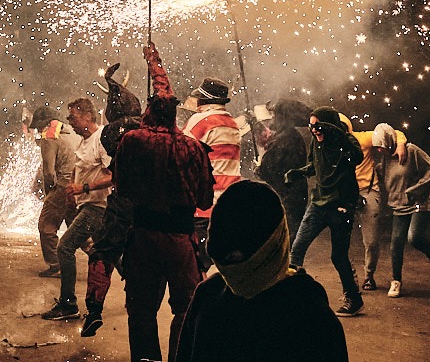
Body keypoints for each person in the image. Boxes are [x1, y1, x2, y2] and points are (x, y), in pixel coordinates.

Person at [113, 43, 214, 362]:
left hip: (143, 237)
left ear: (148, 112)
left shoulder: (132, 141)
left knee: (141, 312)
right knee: (186, 308)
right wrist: (153, 61)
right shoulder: (194, 148)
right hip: (181, 239)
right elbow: (204, 198)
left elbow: (122, 189)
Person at [174, 180, 349, 362]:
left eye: (239, 259)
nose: (234, 272)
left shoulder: (208, 296)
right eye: (228, 260)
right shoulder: (311, 312)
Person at [285, 106, 365, 317]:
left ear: (330, 125)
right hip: (318, 204)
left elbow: (357, 157)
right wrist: (297, 173)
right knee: (297, 249)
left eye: (318, 126)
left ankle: (353, 299)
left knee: (338, 256)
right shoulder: (315, 143)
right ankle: (289, 296)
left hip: (341, 206)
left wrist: (338, 135)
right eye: (311, 127)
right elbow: (313, 166)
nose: (314, 130)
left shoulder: (346, 142)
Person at [81, 62, 141, 337]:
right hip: (149, 205)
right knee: (139, 259)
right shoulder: (147, 129)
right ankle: (137, 302)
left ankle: (94, 311)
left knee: (102, 252)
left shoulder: (109, 132)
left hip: (120, 203)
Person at [41, 98, 111, 322]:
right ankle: (136, 284)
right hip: (85, 204)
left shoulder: (101, 139)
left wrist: (84, 187)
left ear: (88, 116)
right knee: (106, 251)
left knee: (65, 247)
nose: (70, 122)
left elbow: (112, 175)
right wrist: (72, 194)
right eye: (69, 117)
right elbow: (77, 168)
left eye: (74, 117)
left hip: (97, 207)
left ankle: (68, 304)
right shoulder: (83, 140)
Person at [370, 123, 430, 298]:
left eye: (381, 146)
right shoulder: (386, 158)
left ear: (389, 141)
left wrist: (415, 189)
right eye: (377, 148)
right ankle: (396, 281)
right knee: (395, 242)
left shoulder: (411, 151)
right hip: (400, 204)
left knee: (414, 237)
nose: (379, 151)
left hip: (420, 202)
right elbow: (385, 176)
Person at [181, 76, 240, 271]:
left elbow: (181, 151)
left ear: (204, 100)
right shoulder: (232, 123)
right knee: (224, 263)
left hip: (205, 205)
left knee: (198, 265)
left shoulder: (200, 120)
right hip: (229, 204)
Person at [345, 114, 406, 292]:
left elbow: (391, 132)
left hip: (368, 190)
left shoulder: (362, 139)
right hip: (345, 193)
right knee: (341, 239)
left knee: (371, 241)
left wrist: (400, 144)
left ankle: (369, 275)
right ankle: (349, 277)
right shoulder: (330, 145)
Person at [32, 105, 79, 278]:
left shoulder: (49, 137)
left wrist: (48, 194)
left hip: (62, 186)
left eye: (37, 127)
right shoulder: (73, 134)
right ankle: (105, 262)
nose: (37, 131)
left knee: (46, 227)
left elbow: (49, 172)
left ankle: (56, 265)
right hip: (78, 186)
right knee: (78, 231)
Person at [254, 99, 311, 241]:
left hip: (286, 197)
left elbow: (268, 170)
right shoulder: (293, 136)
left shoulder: (284, 139)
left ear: (282, 116)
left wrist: (259, 168)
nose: (272, 117)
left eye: (274, 114)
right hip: (295, 195)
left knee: (284, 240)